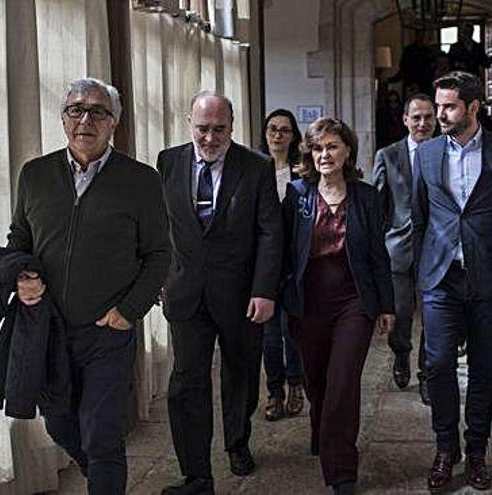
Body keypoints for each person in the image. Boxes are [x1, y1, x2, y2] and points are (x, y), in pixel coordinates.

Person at [8, 77, 170, 493]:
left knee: (101, 433)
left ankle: (104, 477)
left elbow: (158, 255)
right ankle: (101, 475)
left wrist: (128, 312)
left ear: (113, 123)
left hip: (107, 332)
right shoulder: (35, 174)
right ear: (64, 119)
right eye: (76, 110)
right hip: (49, 329)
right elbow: (19, 241)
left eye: (98, 111)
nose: (85, 119)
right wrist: (21, 276)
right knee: (61, 425)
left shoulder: (141, 180)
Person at [412, 71, 492, 491]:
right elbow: (419, 216)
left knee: (483, 369)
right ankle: (446, 448)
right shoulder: (425, 155)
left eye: (449, 107)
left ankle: (477, 451)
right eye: (438, 105)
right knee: (438, 363)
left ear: (473, 108)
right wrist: (419, 274)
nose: (439, 114)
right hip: (440, 277)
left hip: (488, 276)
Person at [159, 91, 283, 495]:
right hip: (186, 293)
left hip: (242, 294)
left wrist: (265, 290)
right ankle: (196, 473)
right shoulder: (168, 161)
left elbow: (270, 232)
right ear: (188, 123)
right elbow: (160, 226)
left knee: (241, 374)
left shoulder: (257, 166)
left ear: (232, 125)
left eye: (219, 129)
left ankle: (237, 442)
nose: (210, 138)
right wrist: (160, 277)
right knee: (186, 382)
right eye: (202, 129)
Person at [282, 117, 395, 495]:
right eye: (317, 148)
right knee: (317, 383)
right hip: (308, 302)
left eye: (332, 146)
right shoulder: (297, 194)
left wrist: (386, 305)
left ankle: (341, 471)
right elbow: (283, 252)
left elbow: (379, 254)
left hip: (354, 302)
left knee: (343, 384)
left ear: (347, 150)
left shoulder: (365, 195)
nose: (324, 155)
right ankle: (323, 430)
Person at [372, 93, 436, 405]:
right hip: (398, 248)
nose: (422, 123)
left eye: (428, 117)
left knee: (433, 316)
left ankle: (427, 374)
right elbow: (378, 207)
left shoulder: (446, 152)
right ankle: (401, 354)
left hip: (437, 250)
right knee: (400, 312)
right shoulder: (388, 155)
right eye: (417, 117)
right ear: (405, 120)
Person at [258, 108, 306, 421]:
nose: (278, 135)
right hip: (263, 265)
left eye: (284, 130)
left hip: (293, 264)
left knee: (293, 332)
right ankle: (274, 391)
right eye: (273, 129)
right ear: (265, 134)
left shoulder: (302, 172)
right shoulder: (253, 170)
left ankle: (295, 386)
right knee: (269, 336)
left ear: (293, 136)